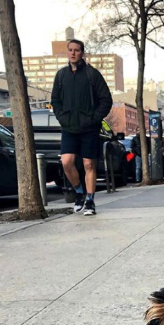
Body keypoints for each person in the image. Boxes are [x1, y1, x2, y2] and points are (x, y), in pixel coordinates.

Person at [51, 39, 113, 215]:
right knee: (66, 162)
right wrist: (62, 117)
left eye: (76, 50)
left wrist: (94, 119)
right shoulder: (61, 75)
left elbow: (106, 100)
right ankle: (79, 192)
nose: (73, 53)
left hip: (89, 128)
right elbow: (55, 100)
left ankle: (90, 201)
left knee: (88, 164)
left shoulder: (92, 75)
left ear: (82, 53)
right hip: (69, 127)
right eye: (70, 50)